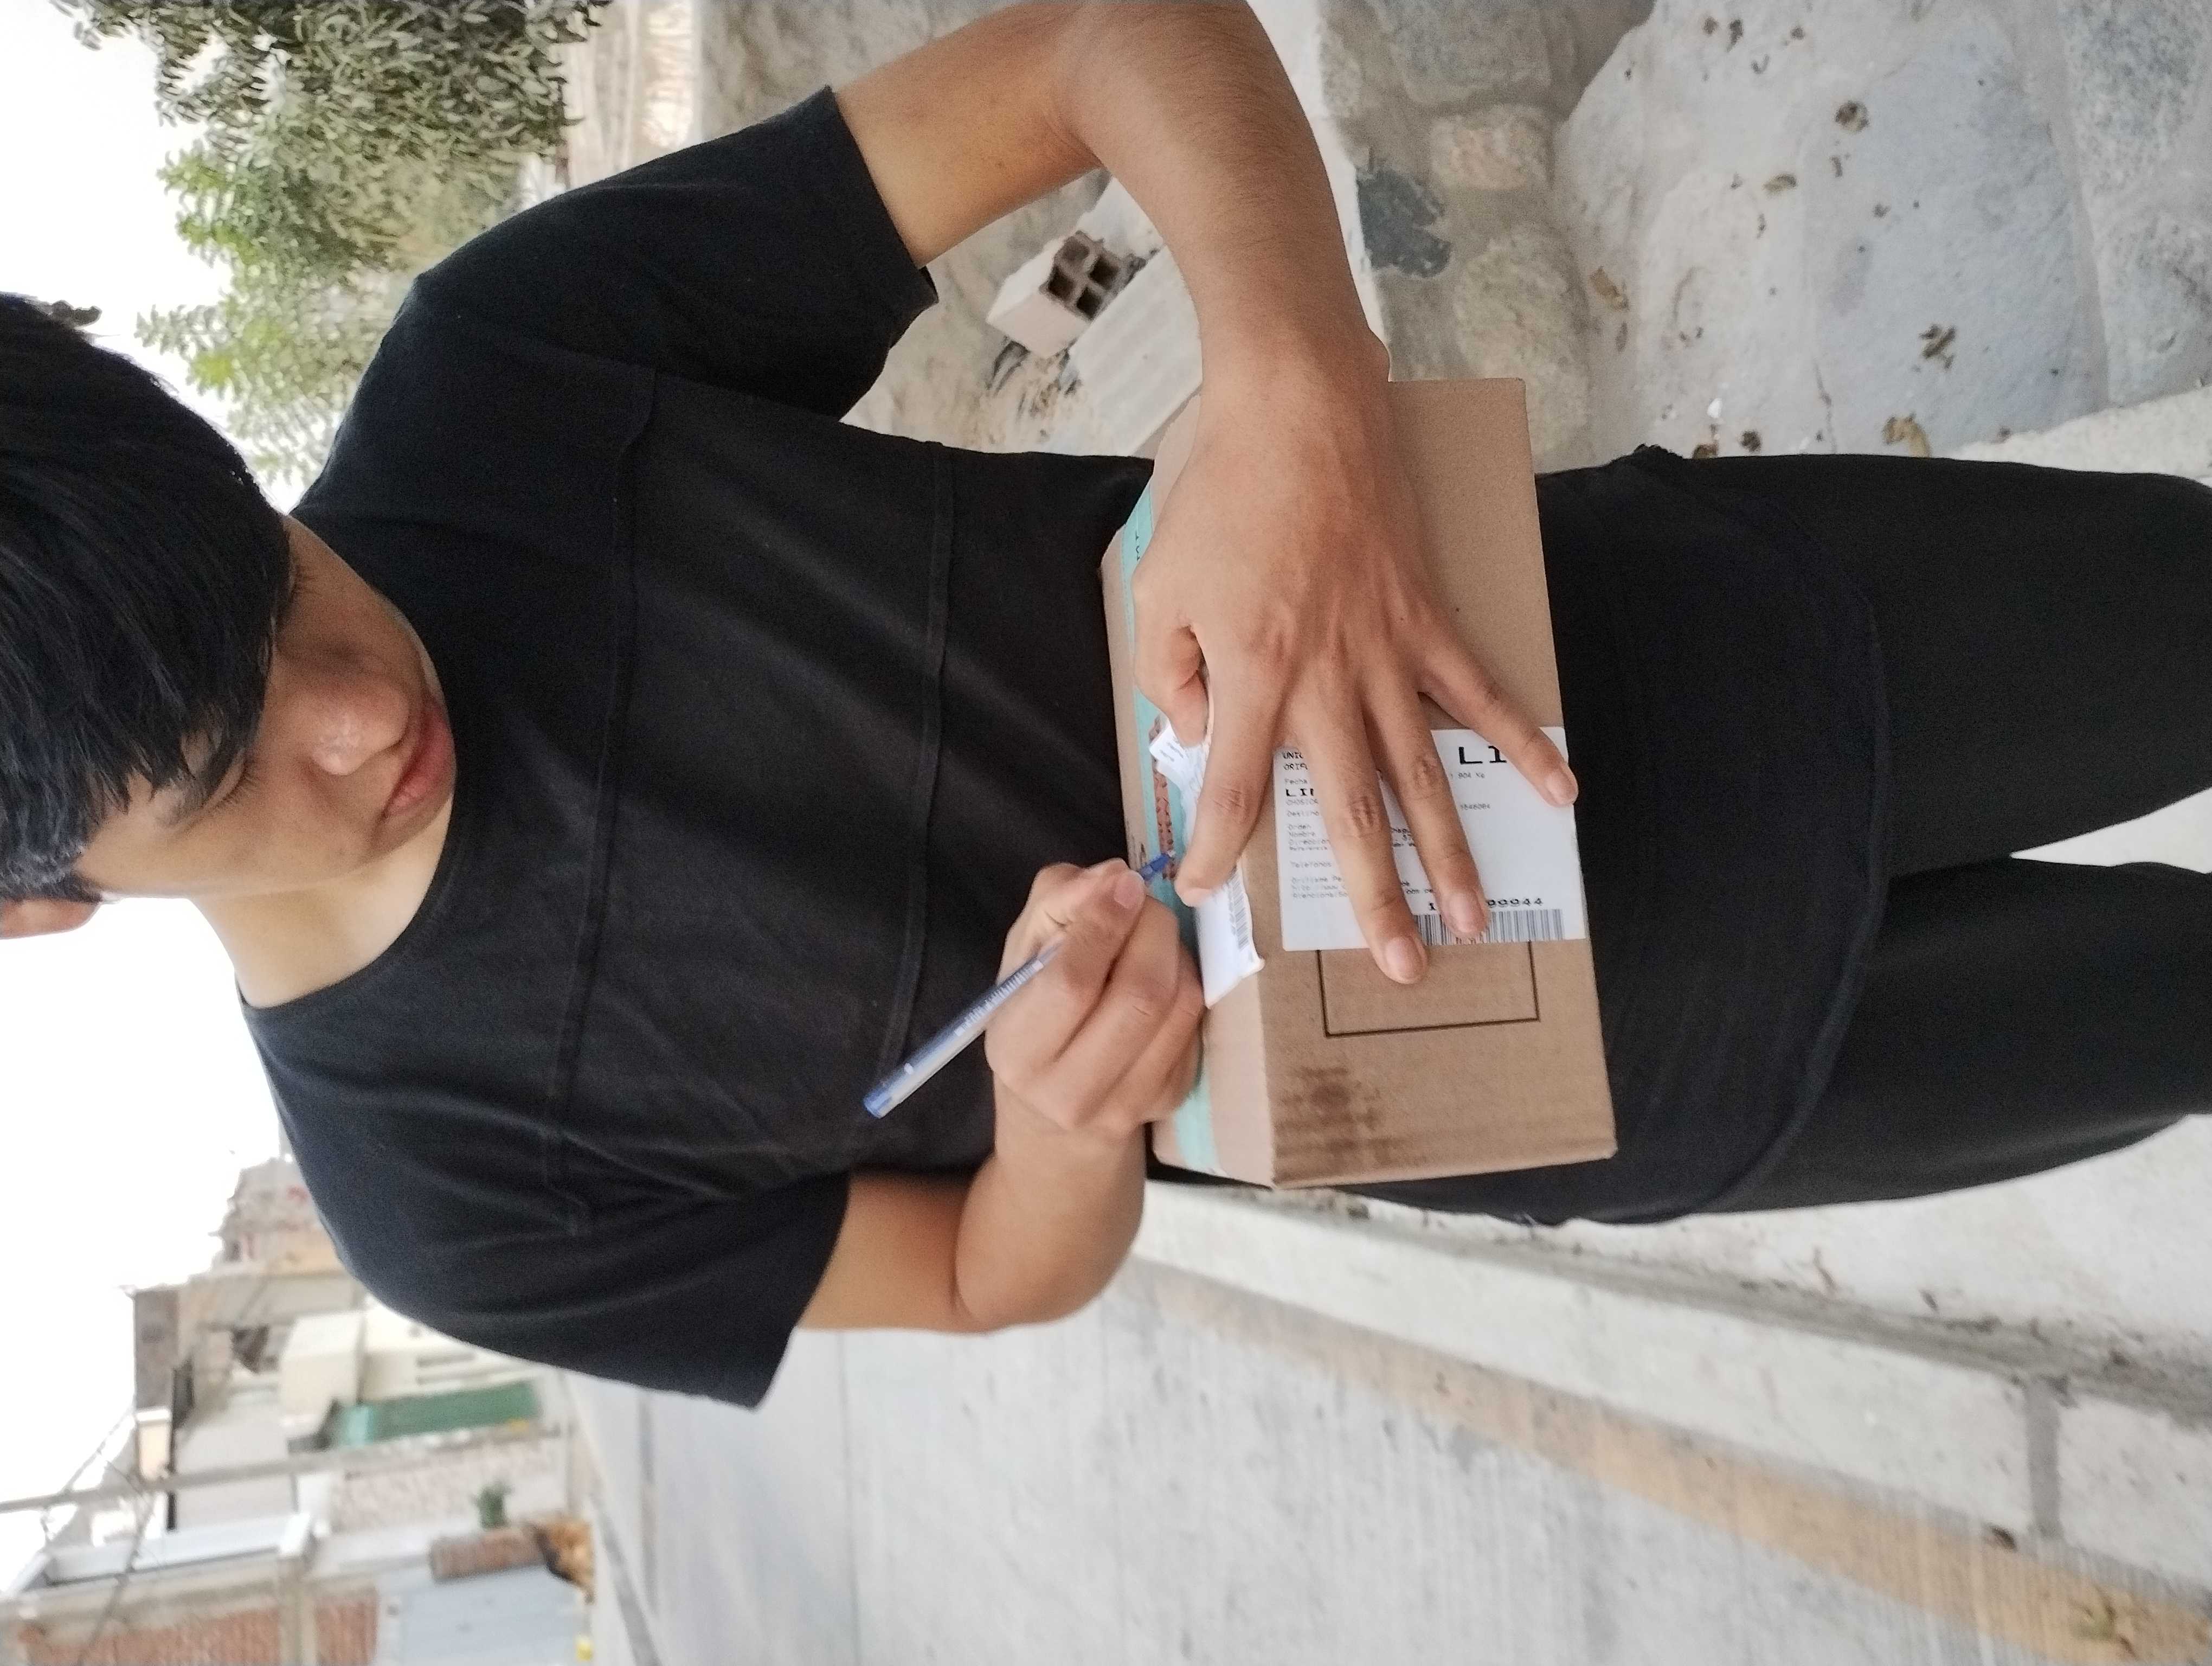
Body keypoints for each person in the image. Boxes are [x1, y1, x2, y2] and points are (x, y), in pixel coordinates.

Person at [4, 2, 2208, 1408]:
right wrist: (1065, 1129)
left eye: (279, 581)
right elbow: (983, 1280)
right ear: (38, 906)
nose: (357, 710)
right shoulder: (440, 1190)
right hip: (1625, 1072)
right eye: (221, 767)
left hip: (1708, 629)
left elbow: (1107, 46)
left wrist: (1287, 380)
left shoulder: (492, 390)